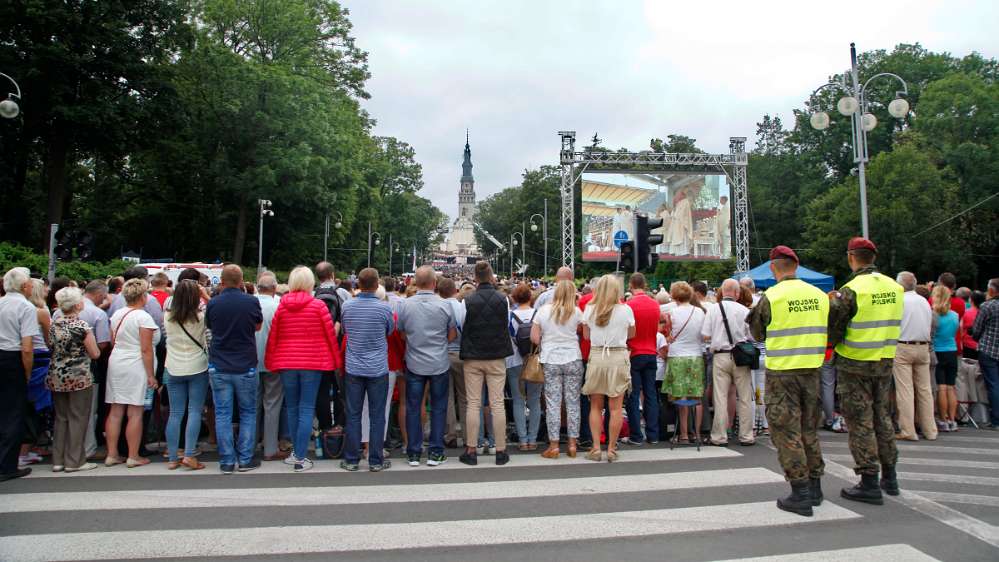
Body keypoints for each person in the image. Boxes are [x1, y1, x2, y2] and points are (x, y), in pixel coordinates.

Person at [747, 246, 829, 517]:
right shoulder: (819, 295)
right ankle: (816, 487)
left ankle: (800, 492)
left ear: (773, 268)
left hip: (783, 372)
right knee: (809, 429)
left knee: (786, 431)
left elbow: (757, 334)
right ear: (797, 265)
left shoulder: (772, 296)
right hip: (812, 370)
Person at [828, 237, 903, 504]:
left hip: (854, 362)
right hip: (884, 359)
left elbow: (834, 330)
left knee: (860, 422)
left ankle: (869, 480)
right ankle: (890, 477)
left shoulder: (851, 289)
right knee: (883, 418)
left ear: (851, 257)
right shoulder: (895, 287)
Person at [265, 266, 340, 472]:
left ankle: (294, 453)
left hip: (287, 362)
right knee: (307, 408)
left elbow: (274, 337)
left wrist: (271, 361)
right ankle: (300, 455)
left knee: (292, 408)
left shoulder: (281, 306)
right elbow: (329, 336)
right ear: (309, 283)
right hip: (313, 363)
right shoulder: (318, 306)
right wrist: (335, 362)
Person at [206, 264, 263, 474]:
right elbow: (257, 326)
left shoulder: (214, 303)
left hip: (219, 364)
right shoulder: (251, 301)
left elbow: (211, 326)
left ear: (221, 281)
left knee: (223, 414)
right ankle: (245, 459)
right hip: (245, 363)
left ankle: (227, 461)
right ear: (241, 281)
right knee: (248, 412)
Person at [397, 266, 456, 467]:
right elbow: (452, 334)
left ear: (415, 281)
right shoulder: (445, 305)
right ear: (434, 283)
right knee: (438, 408)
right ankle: (436, 452)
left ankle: (414, 452)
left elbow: (402, 333)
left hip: (414, 361)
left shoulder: (405, 305)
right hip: (439, 361)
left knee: (413, 407)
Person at [339, 268, 393, 472]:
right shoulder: (384, 308)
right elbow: (389, 330)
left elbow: (345, 330)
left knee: (353, 414)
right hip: (378, 367)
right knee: (377, 415)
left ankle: (352, 458)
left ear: (358, 284)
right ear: (376, 284)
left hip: (354, 366)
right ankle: (376, 459)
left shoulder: (347, 306)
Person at [459, 261, 513, 466]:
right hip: (497, 356)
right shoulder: (504, 300)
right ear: (491, 277)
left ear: (475, 277)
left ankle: (471, 450)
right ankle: (500, 450)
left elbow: (462, 325)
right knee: (497, 403)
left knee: (473, 403)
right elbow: (505, 324)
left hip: (473, 356)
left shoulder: (467, 301)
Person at [105, 278, 160, 468]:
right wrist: (151, 375)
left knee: (115, 410)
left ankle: (112, 453)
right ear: (142, 296)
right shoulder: (143, 317)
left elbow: (113, 341)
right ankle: (133, 455)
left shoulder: (117, 314)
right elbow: (146, 349)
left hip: (117, 360)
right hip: (135, 363)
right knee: (135, 411)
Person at [46, 287, 101, 473]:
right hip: (78, 376)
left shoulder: (54, 325)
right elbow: (95, 353)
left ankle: (58, 460)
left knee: (61, 418)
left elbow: (51, 346)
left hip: (56, 375)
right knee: (78, 417)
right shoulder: (82, 327)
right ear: (78, 304)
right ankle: (74, 461)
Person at [580, 275, 634, 462]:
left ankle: (595, 448)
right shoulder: (626, 309)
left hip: (597, 356)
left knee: (595, 406)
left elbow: (586, 336)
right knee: (616, 408)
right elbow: (631, 333)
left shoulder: (590, 309)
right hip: (618, 355)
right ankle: (611, 448)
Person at [531, 279, 583, 459]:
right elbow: (583, 332)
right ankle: (572, 444)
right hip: (573, 358)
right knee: (573, 402)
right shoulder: (576, 312)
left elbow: (535, 338)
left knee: (553, 403)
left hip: (551, 359)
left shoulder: (543, 311)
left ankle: (553, 446)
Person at [163, 280, 209, 470]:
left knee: (175, 413)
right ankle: (189, 454)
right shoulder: (201, 317)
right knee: (194, 412)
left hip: (173, 366)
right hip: (197, 365)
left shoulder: (167, 317)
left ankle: (173, 456)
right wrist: (206, 295)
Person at [703, 279, 754, 446]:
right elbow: (751, 336)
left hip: (720, 356)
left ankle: (719, 436)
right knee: (745, 397)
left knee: (720, 397)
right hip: (741, 356)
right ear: (737, 293)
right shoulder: (744, 310)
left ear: (722, 291)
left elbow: (705, 334)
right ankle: (746, 435)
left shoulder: (712, 309)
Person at [0, 268, 38, 481]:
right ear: (24, 286)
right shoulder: (26, 306)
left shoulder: (1, 302)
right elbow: (27, 347)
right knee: (13, 413)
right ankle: (7, 465)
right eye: (30, 283)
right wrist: (27, 372)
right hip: (12, 358)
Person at [892, 272, 936, 441]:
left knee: (905, 390)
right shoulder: (924, 301)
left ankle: (908, 430)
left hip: (903, 346)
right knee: (925, 390)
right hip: (923, 347)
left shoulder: (900, 301)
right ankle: (930, 429)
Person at [661, 281, 707, 443]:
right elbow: (704, 336)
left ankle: (684, 434)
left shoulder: (671, 313)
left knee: (681, 397)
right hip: (695, 355)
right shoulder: (700, 312)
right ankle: (697, 432)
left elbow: (666, 334)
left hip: (677, 356)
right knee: (696, 396)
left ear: (674, 296)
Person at [622, 273, 662, 446]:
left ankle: (636, 435)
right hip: (651, 352)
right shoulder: (655, 305)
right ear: (645, 284)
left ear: (631, 284)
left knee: (633, 395)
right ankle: (653, 435)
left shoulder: (628, 305)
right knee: (651, 394)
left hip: (633, 353)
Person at [254, 272, 286, 462]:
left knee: (252, 405)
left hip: (250, 360)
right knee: (272, 404)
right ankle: (270, 448)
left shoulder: (250, 304)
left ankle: (249, 445)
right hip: (272, 360)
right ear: (274, 288)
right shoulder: (278, 306)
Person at [314, 262, 346, 446]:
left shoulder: (313, 295)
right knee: (341, 389)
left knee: (322, 390)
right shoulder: (342, 294)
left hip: (318, 350)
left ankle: (324, 425)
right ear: (332, 274)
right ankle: (340, 424)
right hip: (338, 349)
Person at [507, 283, 542, 451]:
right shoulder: (538, 314)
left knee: (518, 401)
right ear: (530, 297)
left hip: (515, 361)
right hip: (534, 360)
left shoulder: (509, 316)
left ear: (514, 298)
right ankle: (533, 439)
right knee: (535, 401)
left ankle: (522, 439)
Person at [440, 277, 467, 447]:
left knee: (447, 397)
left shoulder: (438, 307)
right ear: (455, 291)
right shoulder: (462, 307)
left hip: (443, 354)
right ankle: (467, 435)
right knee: (465, 398)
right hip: (462, 355)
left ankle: (450, 435)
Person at [932, 285, 961, 433]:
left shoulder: (934, 315)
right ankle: (952, 419)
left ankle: (943, 419)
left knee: (941, 387)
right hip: (952, 350)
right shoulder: (955, 315)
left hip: (938, 351)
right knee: (951, 387)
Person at [971, 278, 999, 429]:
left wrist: (976, 336)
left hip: (989, 349)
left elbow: (976, 330)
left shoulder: (987, 306)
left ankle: (996, 420)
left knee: (993, 385)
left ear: (992, 290)